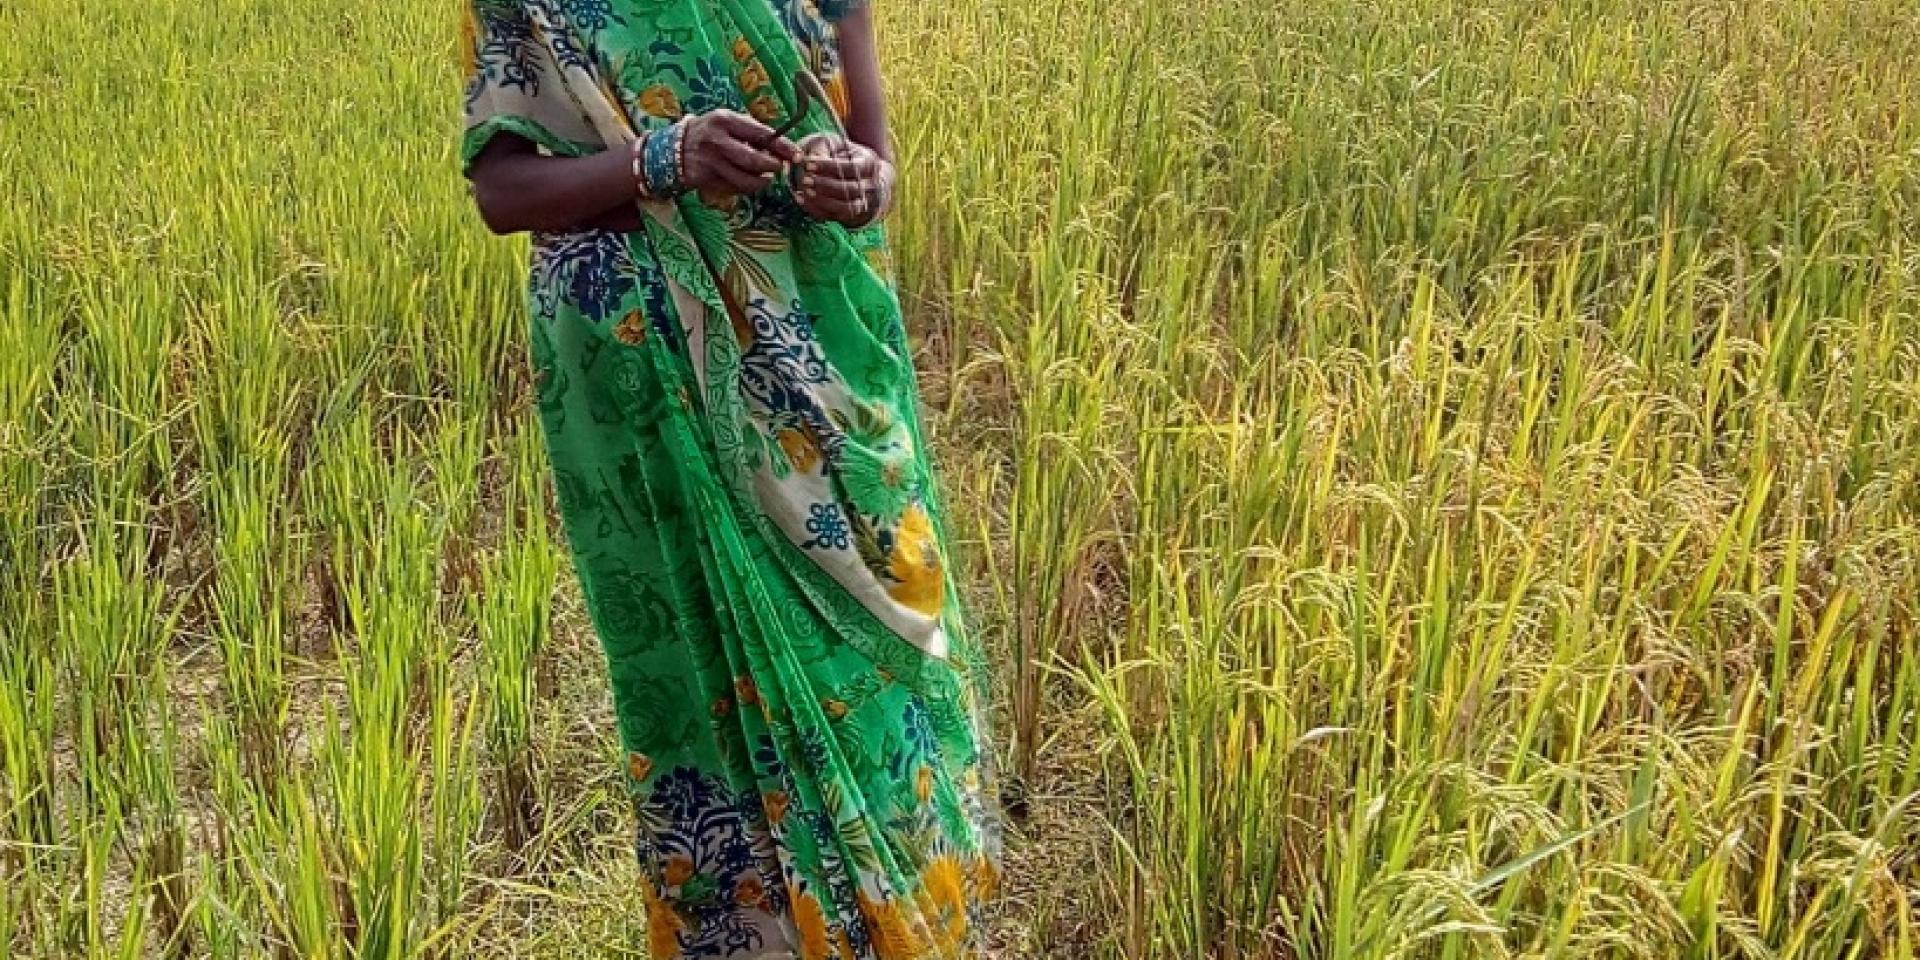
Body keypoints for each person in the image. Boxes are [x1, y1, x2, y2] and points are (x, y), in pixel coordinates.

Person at [459, 0, 1001, 956]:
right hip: (641, 354)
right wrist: (660, 160)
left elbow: (875, 158)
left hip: (815, 349)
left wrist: (856, 182)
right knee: (701, 675)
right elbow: (503, 190)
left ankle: (888, 921)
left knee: (881, 633)